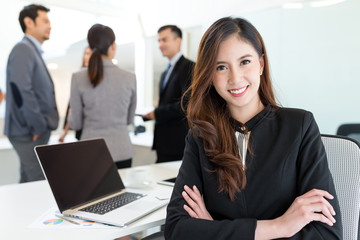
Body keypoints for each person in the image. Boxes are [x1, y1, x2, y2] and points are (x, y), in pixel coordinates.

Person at [165, 17, 342, 239]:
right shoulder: (201, 135)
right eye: (221, 67)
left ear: (261, 64)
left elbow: (326, 234)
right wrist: (279, 227)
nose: (235, 78)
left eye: (245, 62)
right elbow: (176, 229)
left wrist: (214, 230)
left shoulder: (300, 126)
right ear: (210, 76)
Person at [69, 24, 136, 169]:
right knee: (124, 193)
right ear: (113, 46)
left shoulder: (78, 77)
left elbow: (75, 123)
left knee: (91, 192)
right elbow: (129, 119)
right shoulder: (130, 77)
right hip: (122, 151)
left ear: (90, 46)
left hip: (90, 151)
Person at [4, 4, 59, 183]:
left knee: (29, 181)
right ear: (29, 22)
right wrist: (36, 125)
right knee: (38, 181)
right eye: (45, 21)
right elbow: (21, 90)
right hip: (28, 131)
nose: (49, 25)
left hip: (32, 130)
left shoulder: (32, 50)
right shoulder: (23, 49)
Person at [142, 25, 194, 163]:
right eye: (159, 41)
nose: (160, 45)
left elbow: (187, 104)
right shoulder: (165, 73)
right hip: (163, 143)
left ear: (178, 41)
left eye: (164, 40)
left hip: (178, 144)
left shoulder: (189, 67)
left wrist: (157, 113)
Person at [58, 46, 92, 143]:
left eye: (89, 54)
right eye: (86, 53)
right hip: (81, 130)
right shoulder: (78, 78)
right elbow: (71, 107)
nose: (87, 57)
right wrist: (64, 133)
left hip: (93, 129)